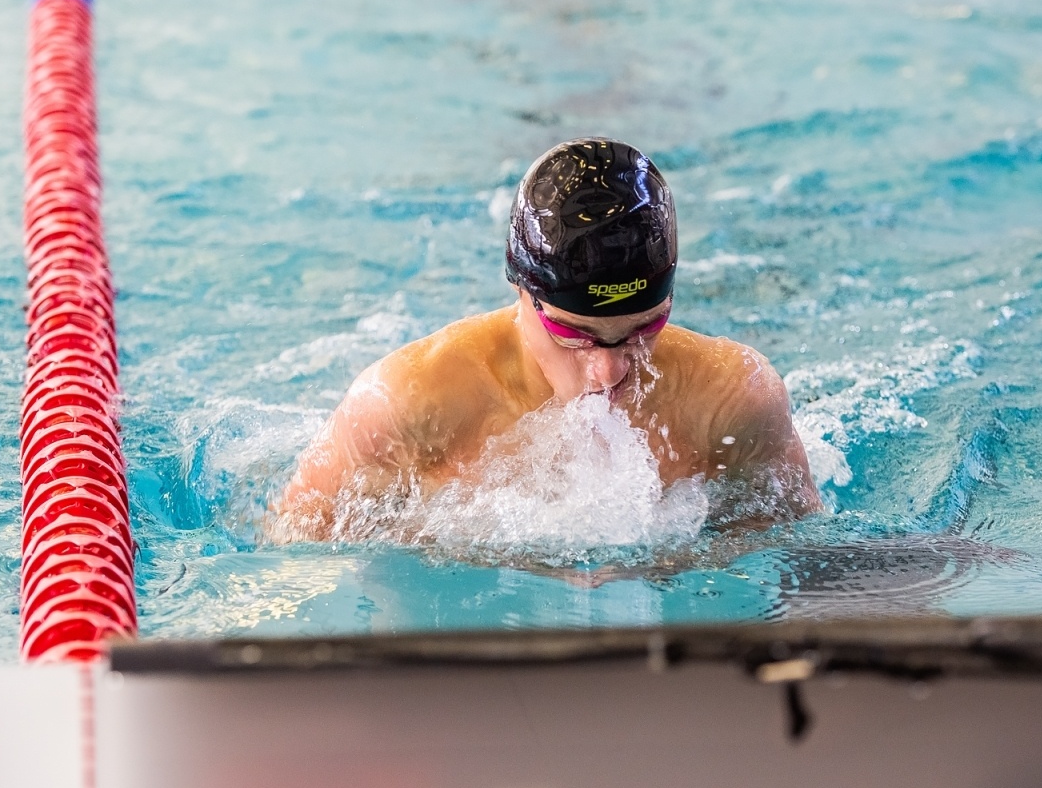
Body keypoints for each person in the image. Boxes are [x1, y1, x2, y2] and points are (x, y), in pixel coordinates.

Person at [271, 138, 821, 538]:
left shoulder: (733, 402)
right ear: (522, 294)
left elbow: (799, 559)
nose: (609, 371)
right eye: (575, 335)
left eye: (641, 331)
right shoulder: (405, 405)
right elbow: (289, 559)